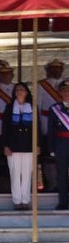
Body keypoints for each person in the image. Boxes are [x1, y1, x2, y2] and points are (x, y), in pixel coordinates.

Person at [1, 82, 35, 210]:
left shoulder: (32, 107)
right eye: (17, 90)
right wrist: (5, 145)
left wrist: (37, 145)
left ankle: (25, 200)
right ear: (14, 93)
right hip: (13, 145)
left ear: (27, 92)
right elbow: (5, 128)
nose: (20, 92)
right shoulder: (9, 108)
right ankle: (17, 200)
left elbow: (36, 127)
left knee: (27, 174)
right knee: (15, 173)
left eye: (22, 90)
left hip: (28, 145)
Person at [35, 59, 63, 193]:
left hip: (65, 127)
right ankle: (51, 183)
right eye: (53, 69)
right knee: (48, 157)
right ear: (47, 71)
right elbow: (38, 107)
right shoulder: (41, 85)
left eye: (58, 69)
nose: (56, 71)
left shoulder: (66, 84)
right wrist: (40, 127)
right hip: (47, 124)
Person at [48, 80, 69, 210]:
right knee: (61, 175)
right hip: (61, 145)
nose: (67, 93)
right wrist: (51, 148)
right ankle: (63, 202)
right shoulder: (54, 109)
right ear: (60, 93)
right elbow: (51, 130)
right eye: (64, 91)